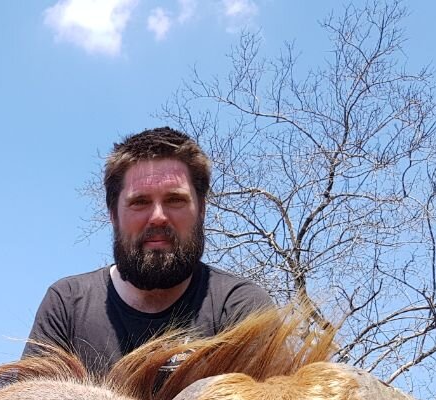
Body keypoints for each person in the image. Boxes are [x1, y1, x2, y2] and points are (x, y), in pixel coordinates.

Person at [23, 126, 274, 376]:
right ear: (112, 214)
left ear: (202, 210)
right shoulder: (68, 304)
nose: (158, 217)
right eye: (140, 202)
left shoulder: (241, 307)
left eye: (175, 200)